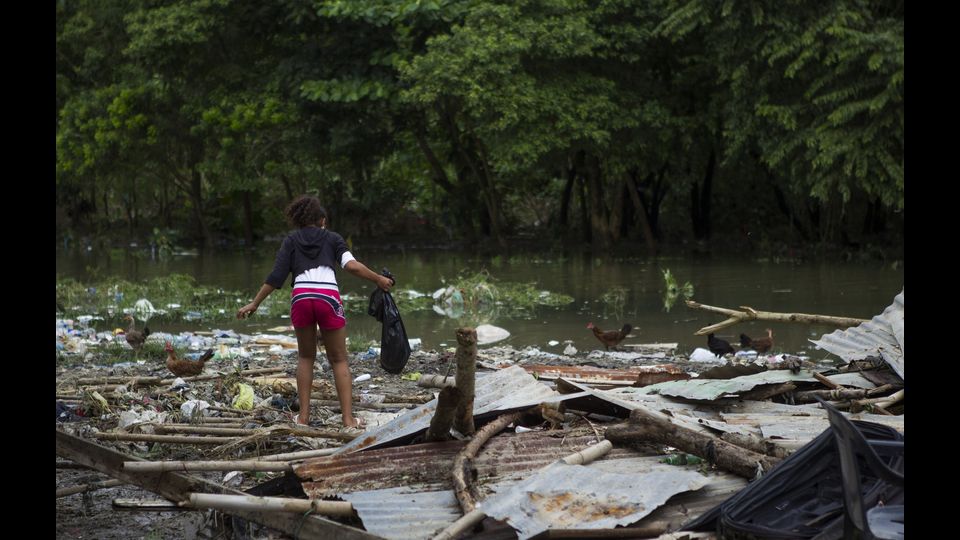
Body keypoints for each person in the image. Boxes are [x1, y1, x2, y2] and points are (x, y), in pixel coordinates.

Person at [237, 195, 393, 429]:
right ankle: (348, 420)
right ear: (322, 220)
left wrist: (254, 303)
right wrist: (378, 279)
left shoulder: (291, 240)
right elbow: (352, 266)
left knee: (306, 357)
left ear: (300, 220)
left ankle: (303, 418)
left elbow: (276, 277)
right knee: (339, 359)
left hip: (301, 298)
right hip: (327, 298)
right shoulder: (333, 239)